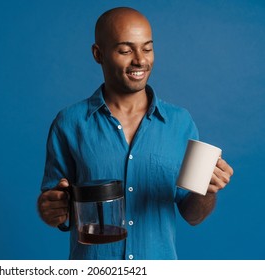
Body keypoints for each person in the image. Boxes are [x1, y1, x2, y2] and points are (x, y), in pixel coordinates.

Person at [37, 7, 234, 260]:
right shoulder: (69, 123)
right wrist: (50, 208)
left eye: (147, 48)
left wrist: (208, 191)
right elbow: (53, 207)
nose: (140, 60)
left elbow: (193, 215)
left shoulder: (180, 123)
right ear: (99, 54)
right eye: (125, 50)